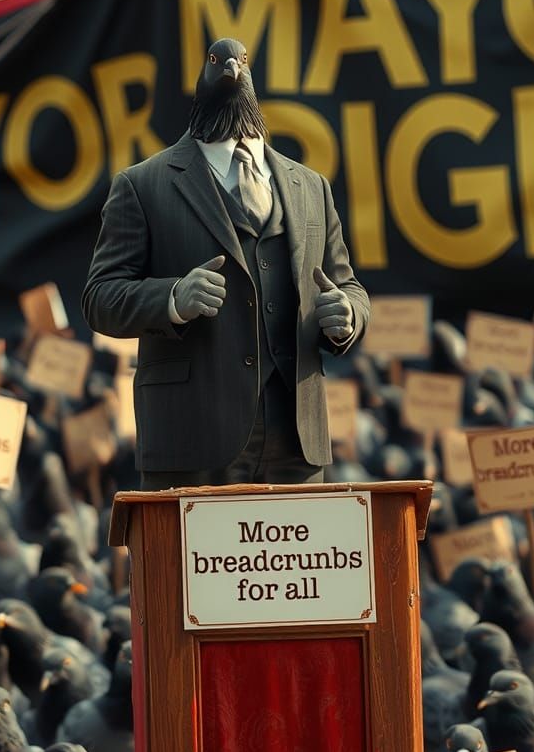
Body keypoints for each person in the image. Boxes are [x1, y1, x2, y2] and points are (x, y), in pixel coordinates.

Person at [82, 37, 370, 489]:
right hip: (191, 438)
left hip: (297, 442)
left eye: (240, 63)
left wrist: (349, 315)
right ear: (203, 77)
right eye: (219, 62)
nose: (231, 69)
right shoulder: (143, 186)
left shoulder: (311, 187)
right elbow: (100, 298)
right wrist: (173, 297)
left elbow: (348, 285)